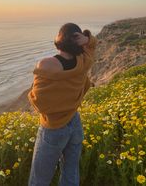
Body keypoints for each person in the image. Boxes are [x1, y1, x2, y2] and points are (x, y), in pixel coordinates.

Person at [27, 23, 97, 186]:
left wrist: (30, 93)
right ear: (79, 41)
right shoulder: (84, 60)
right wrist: (87, 38)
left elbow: (39, 104)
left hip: (53, 128)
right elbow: (92, 45)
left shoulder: (46, 64)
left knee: (40, 178)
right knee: (71, 171)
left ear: (59, 39)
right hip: (74, 121)